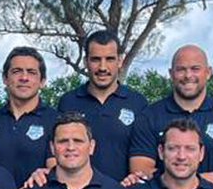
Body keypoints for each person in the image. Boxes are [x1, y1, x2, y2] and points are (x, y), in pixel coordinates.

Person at [129, 45, 213, 185]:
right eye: (181, 69)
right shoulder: (149, 117)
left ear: (208, 72)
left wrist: (187, 184)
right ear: (171, 74)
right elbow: (141, 170)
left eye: (195, 69)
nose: (188, 76)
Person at [58, 29, 148, 181]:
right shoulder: (68, 102)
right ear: (86, 61)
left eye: (110, 59)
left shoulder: (138, 103)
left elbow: (143, 160)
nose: (102, 67)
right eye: (96, 59)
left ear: (120, 61)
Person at [0, 46, 58, 187]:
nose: (24, 78)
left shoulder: (54, 120)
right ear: (5, 78)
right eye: (16, 71)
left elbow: (55, 171)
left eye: (31, 72)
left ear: (42, 81)